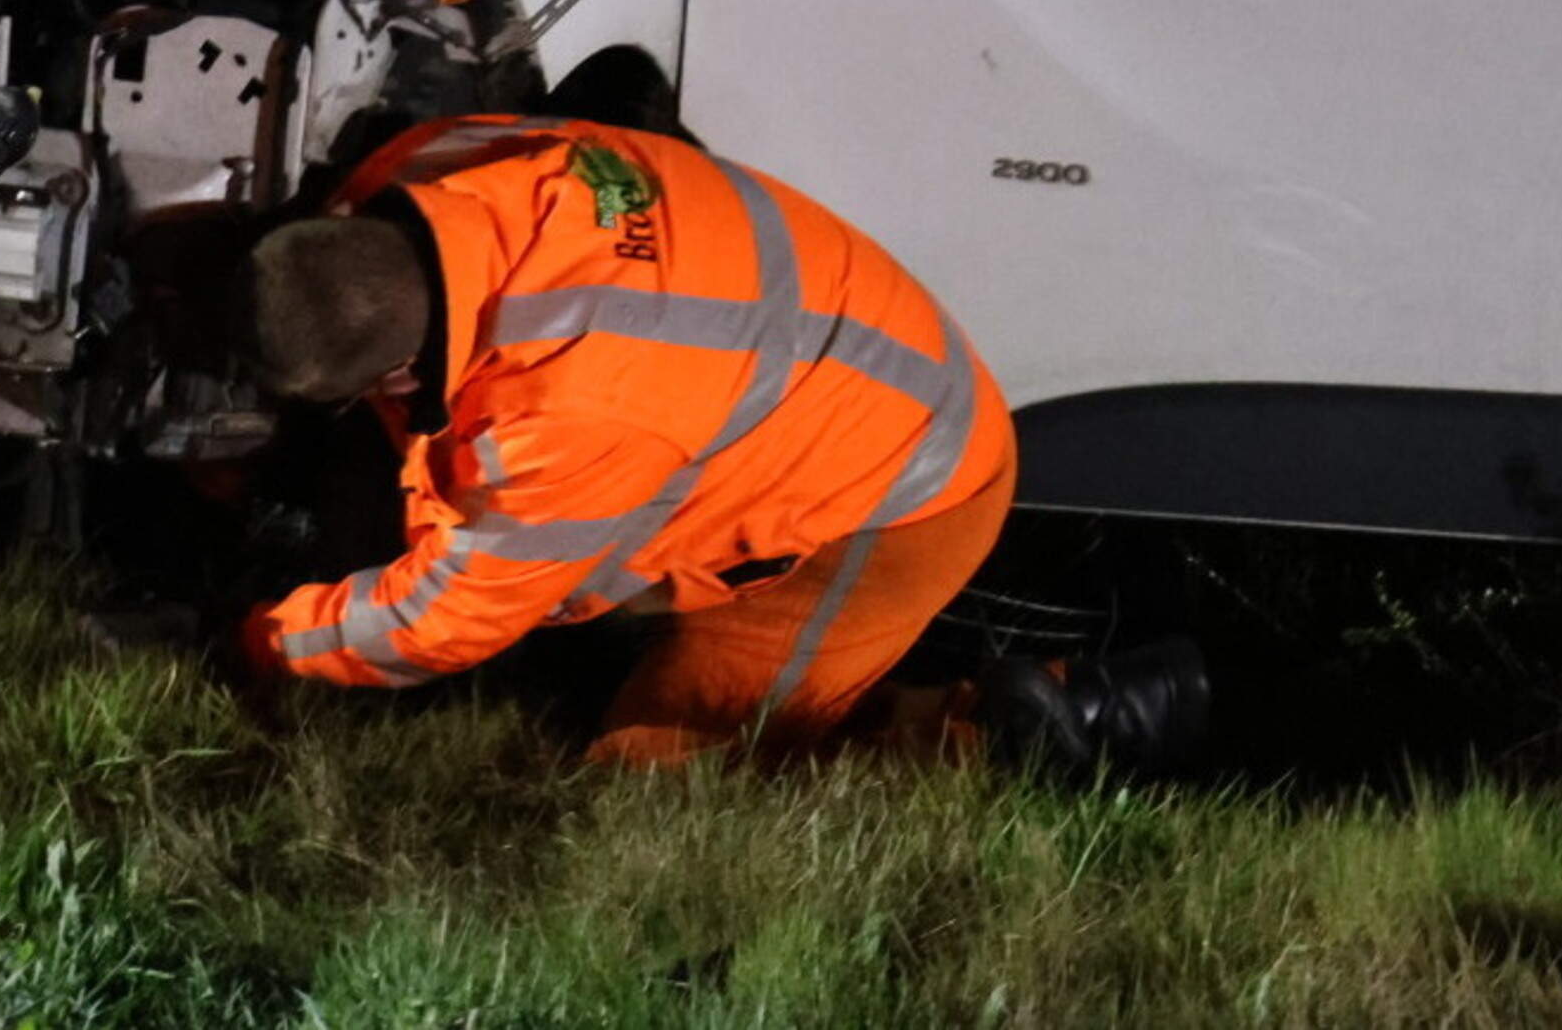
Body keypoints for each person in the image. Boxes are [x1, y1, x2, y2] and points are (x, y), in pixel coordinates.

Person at [228, 114, 1014, 766]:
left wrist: (267, 639)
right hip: (855, 350)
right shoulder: (440, 159)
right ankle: (908, 705)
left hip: (908, 485)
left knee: (658, 766)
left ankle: (1002, 741)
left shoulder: (575, 411)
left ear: (399, 373)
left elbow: (442, 618)